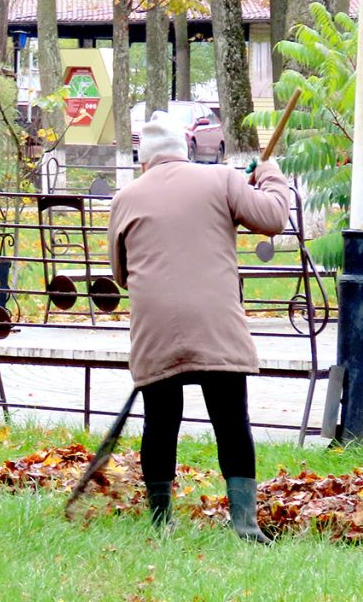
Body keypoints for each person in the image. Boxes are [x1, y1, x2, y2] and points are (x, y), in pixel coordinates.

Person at [107, 112, 290, 544]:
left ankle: (160, 520)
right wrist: (269, 175)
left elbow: (119, 273)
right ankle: (245, 524)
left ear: (144, 161)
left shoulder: (126, 197)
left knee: (160, 420)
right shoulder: (223, 180)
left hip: (155, 328)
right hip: (215, 322)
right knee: (230, 419)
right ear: (185, 150)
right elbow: (273, 217)